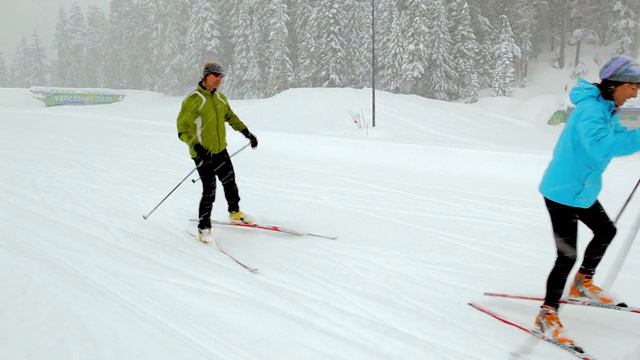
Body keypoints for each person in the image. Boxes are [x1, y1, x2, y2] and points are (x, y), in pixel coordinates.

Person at [536, 55, 640, 344]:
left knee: (606, 230)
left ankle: (582, 283)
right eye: (632, 86)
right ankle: (547, 315)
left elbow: (620, 132)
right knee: (566, 256)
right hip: (562, 192)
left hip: (581, 191)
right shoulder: (590, 111)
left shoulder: (606, 108)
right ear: (615, 84)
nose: (635, 93)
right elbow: (601, 145)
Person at [176, 62, 259, 244]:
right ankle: (204, 227)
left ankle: (235, 212)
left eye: (221, 77)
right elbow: (182, 129)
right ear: (206, 76)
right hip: (202, 154)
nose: (219, 80)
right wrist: (197, 147)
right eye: (216, 76)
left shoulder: (220, 99)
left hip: (220, 151)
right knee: (209, 190)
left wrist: (247, 133)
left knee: (230, 182)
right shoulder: (194, 99)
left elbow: (231, 117)